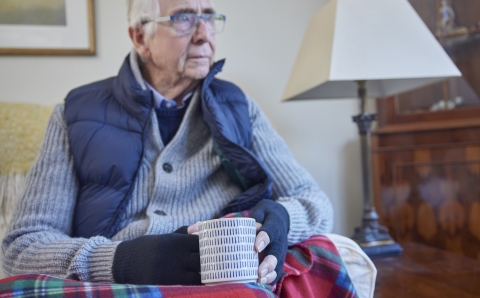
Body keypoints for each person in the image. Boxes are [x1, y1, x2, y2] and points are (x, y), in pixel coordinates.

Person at [1, 0, 333, 287]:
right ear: (139, 37)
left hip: (220, 283)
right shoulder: (75, 114)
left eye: (210, 17)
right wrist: (121, 261)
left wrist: (281, 217)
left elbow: (315, 203)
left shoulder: (240, 107)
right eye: (183, 17)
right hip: (115, 286)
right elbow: (22, 248)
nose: (205, 34)